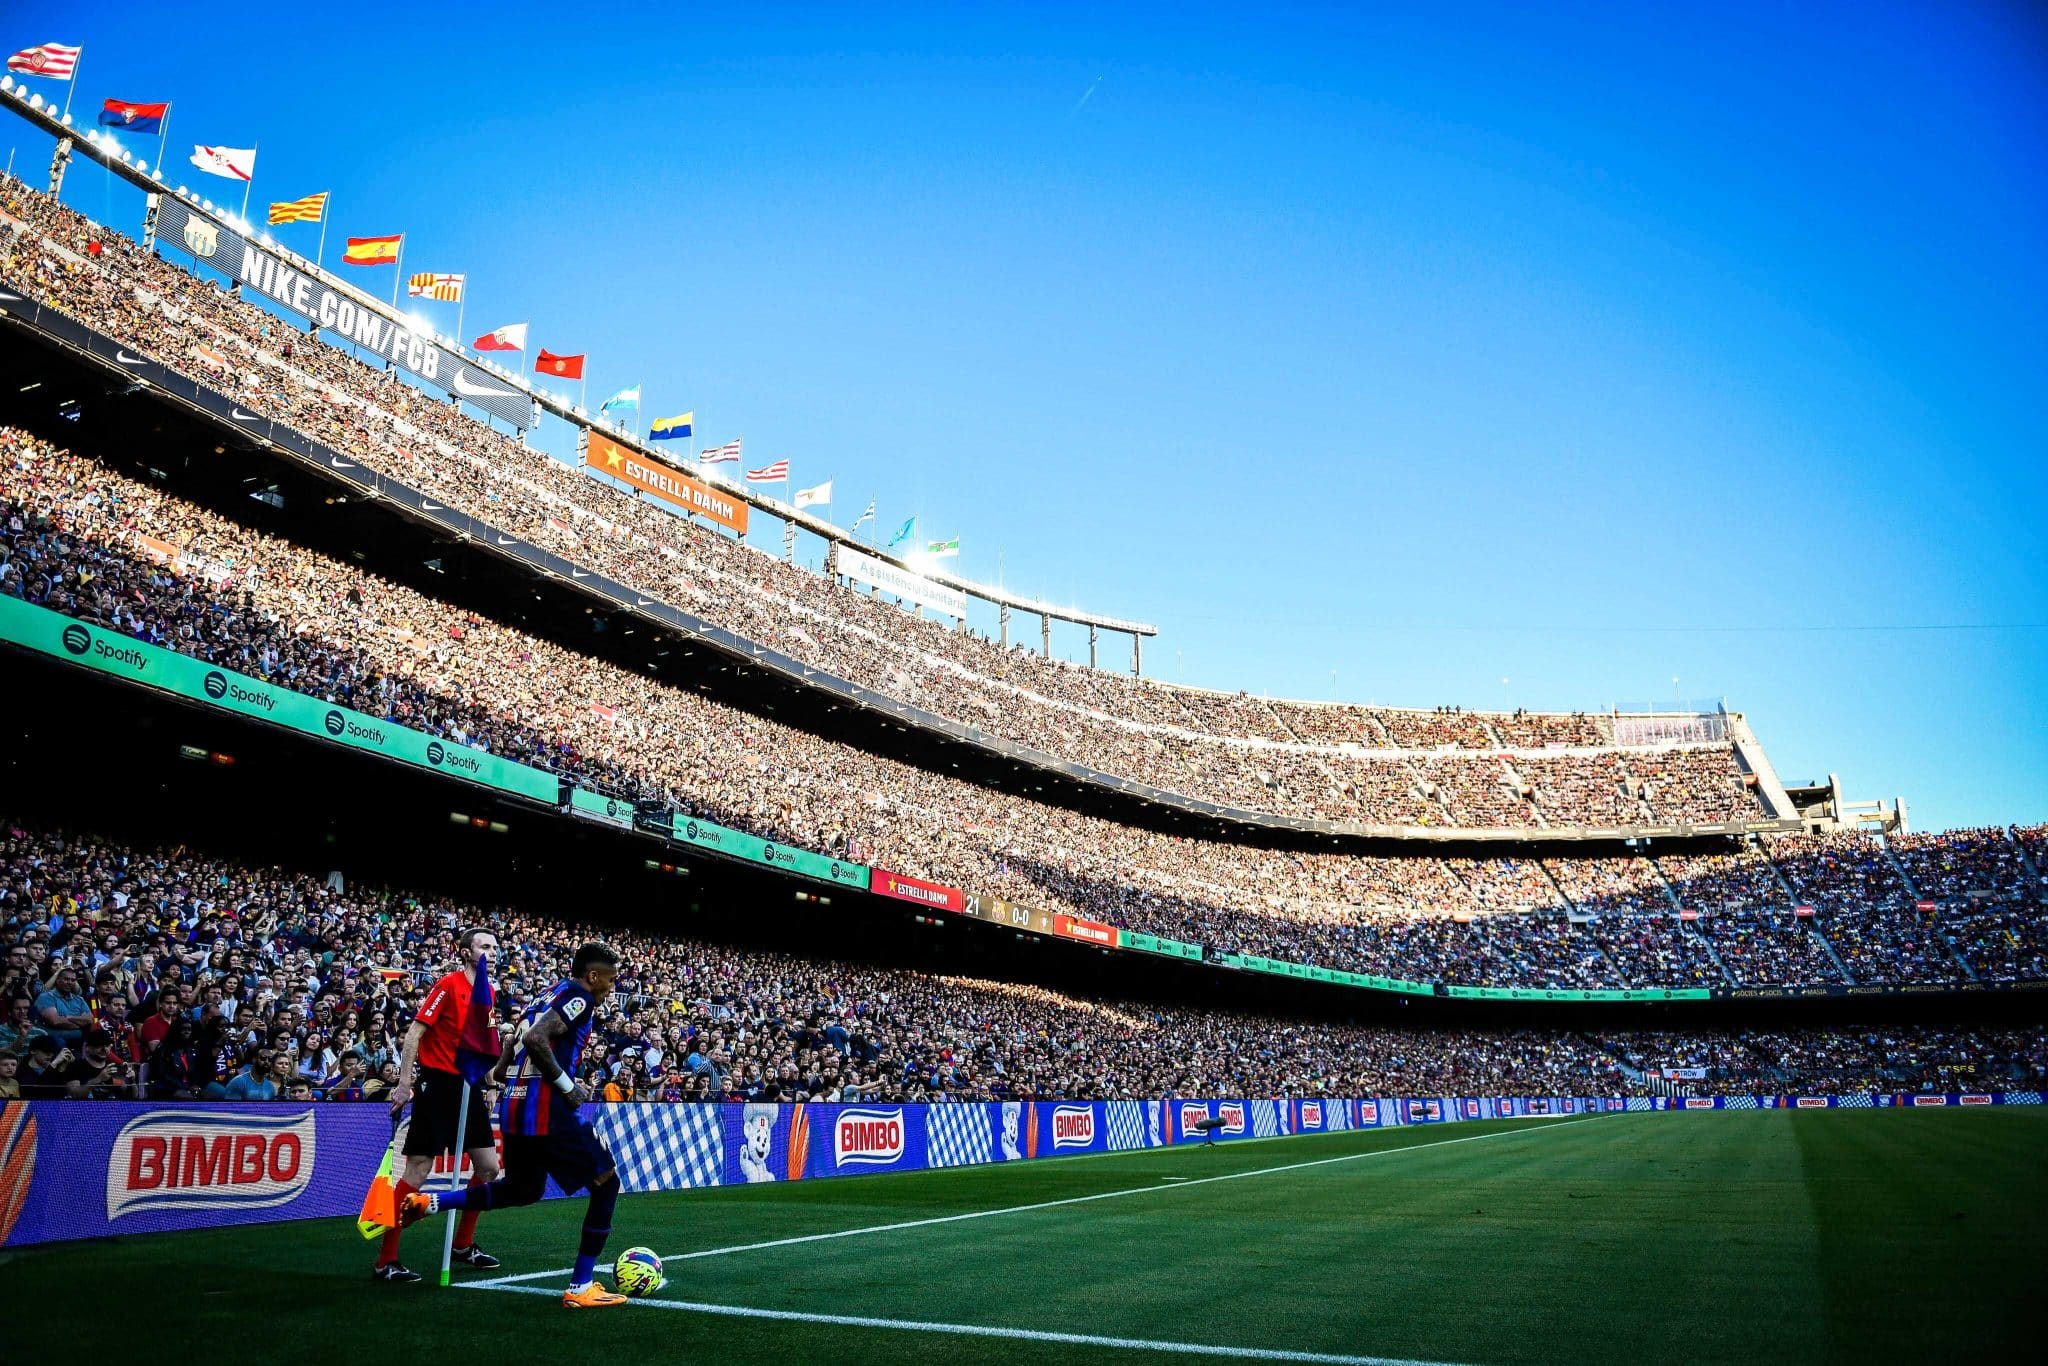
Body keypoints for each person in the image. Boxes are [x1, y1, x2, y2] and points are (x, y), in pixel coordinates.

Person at [401, 942, 634, 1309]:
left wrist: (499, 1072)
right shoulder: (579, 996)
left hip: (515, 1105)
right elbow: (534, 1038)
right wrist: (569, 1086)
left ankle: (431, 1202)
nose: (612, 986)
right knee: (607, 1182)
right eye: (610, 978)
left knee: (524, 1188)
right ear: (593, 975)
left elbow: (512, 1039)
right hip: (547, 1110)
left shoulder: (548, 993)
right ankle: (580, 1285)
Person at [377, 928, 503, 1284]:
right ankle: (386, 1260)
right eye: (484, 947)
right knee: (417, 1171)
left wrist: (490, 1082)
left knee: (490, 1168)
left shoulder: (488, 991)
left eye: (495, 947)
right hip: (438, 1085)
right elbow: (415, 1033)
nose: (492, 952)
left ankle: (463, 1245)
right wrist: (404, 1084)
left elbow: (484, 1045)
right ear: (465, 952)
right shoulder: (448, 985)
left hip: (470, 1085)